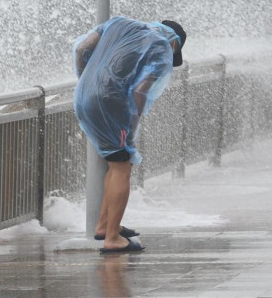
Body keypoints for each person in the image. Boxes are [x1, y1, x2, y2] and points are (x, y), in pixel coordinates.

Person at [72, 16, 186, 253]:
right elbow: (140, 90)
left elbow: (82, 48)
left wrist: (86, 82)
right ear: (174, 43)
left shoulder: (117, 24)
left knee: (116, 162)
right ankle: (113, 238)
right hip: (111, 103)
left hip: (83, 96)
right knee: (122, 166)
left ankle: (105, 225)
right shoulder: (160, 47)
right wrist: (134, 119)